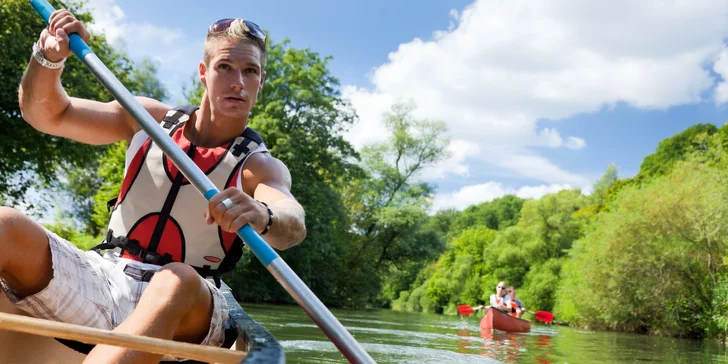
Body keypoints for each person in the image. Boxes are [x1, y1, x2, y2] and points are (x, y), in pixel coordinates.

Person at [7, 9, 306, 364]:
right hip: (106, 277)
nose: (238, 81)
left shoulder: (259, 166)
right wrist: (48, 58)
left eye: (250, 71)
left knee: (175, 278)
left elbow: (292, 223)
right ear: (203, 73)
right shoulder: (148, 119)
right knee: (5, 224)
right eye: (225, 67)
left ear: (261, 81)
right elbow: (46, 114)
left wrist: (263, 214)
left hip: (188, 306)